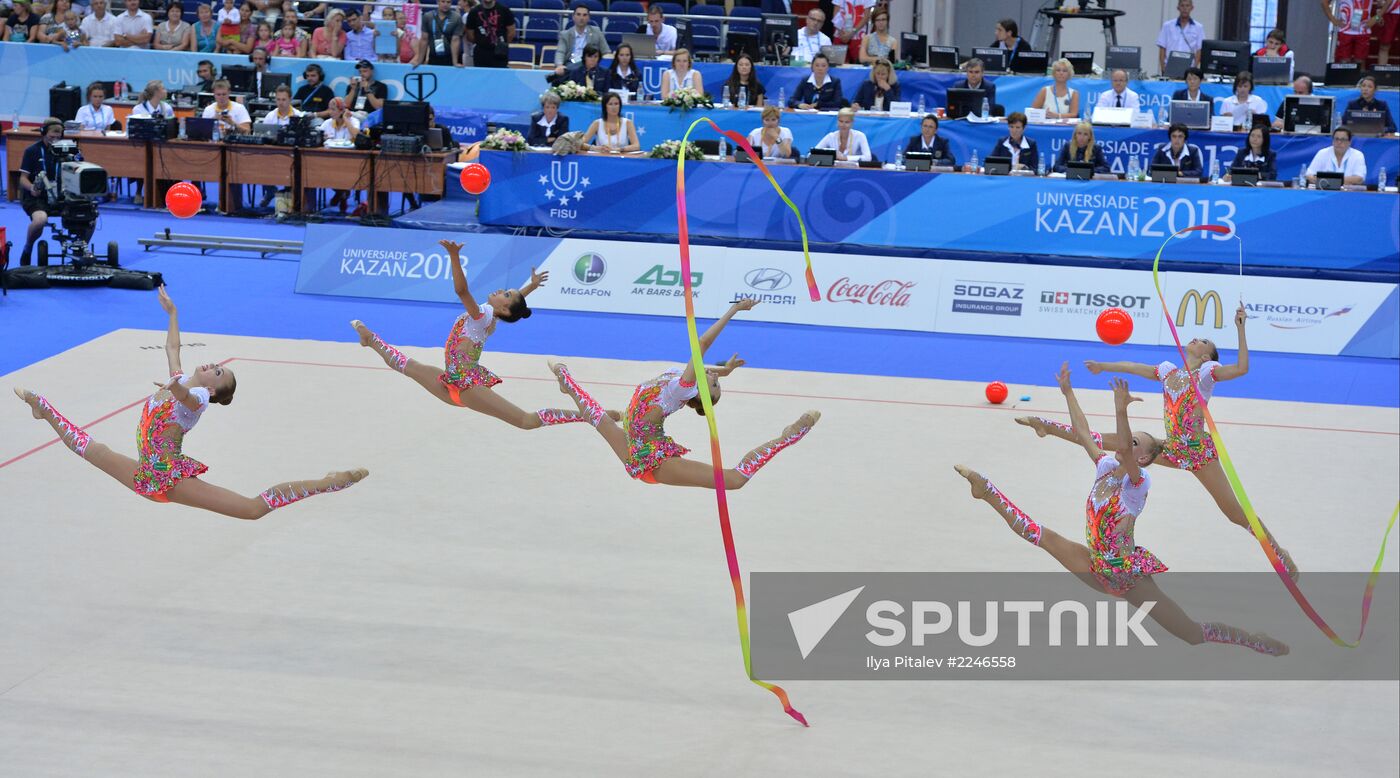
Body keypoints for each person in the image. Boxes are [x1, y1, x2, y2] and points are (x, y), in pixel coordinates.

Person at [958, 368, 1287, 657]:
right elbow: (1083, 432)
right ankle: (986, 490)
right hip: (1095, 565)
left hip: (1128, 578)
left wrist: (1120, 409)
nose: (1126, 444)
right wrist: (1068, 392)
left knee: (1192, 635)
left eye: (1135, 444)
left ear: (1143, 458)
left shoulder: (1136, 482)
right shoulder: (1104, 466)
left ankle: (1253, 640)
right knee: (1041, 536)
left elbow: (1127, 451)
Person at [15, 287, 368, 519]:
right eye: (217, 366)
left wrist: (177, 388)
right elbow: (173, 348)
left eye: (218, 373)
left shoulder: (195, 398)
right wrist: (172, 313)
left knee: (251, 510)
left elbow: (185, 396)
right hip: (145, 474)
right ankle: (43, 408)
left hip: (168, 479)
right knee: (91, 449)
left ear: (213, 391)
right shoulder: (182, 379)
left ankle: (329, 482)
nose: (213, 367)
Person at [1023, 306, 1300, 583]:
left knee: (1235, 514)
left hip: (1198, 454)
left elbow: (1241, 369)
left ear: (1206, 356)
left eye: (1203, 341)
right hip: (1171, 448)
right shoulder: (1168, 372)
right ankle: (1047, 427)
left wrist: (1240, 327)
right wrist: (1103, 366)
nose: (1196, 338)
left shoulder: (1206, 373)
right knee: (1113, 443)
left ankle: (1277, 551)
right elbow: (1135, 368)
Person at [546, 300, 821, 489]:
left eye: (713, 384)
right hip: (633, 444)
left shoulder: (681, 389)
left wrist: (734, 310)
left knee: (734, 481)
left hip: (654, 462)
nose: (712, 377)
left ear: (698, 391)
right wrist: (725, 371)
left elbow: (701, 344)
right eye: (714, 380)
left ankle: (789, 436)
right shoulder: (682, 379)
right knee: (597, 415)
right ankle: (564, 377)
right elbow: (707, 369)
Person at [350, 240, 613, 427]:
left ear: (505, 309)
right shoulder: (492, 313)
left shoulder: (482, 316)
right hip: (449, 381)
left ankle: (593, 415)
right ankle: (369, 337)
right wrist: (529, 288)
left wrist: (453, 256)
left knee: (526, 421)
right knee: (408, 366)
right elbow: (514, 306)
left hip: (467, 387)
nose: (501, 291)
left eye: (505, 294)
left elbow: (462, 292)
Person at [17, 119, 65, 266]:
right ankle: (28, 248)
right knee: (40, 221)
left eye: (58, 136)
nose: (55, 139)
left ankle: (81, 250)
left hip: (61, 196)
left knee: (90, 218)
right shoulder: (32, 151)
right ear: (44, 133)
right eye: (52, 136)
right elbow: (23, 179)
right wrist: (32, 188)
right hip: (36, 196)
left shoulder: (67, 150)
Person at [553, 3, 607, 74]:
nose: (581, 18)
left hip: (591, 63)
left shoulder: (596, 32)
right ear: (573, 17)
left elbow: (606, 51)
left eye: (584, 15)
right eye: (578, 14)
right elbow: (560, 52)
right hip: (572, 63)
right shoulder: (565, 34)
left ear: (588, 17)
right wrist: (559, 65)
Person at [464, 0, 515, 68]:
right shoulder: (474, 12)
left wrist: (502, 44)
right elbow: (470, 36)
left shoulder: (505, 10)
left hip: (499, 53)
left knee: (499, 76)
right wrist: (482, 42)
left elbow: (511, 33)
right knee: (481, 77)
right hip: (481, 53)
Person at [1157, 0, 1203, 71]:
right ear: (1178, 8)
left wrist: (1194, 68)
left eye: (1187, 6)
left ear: (1192, 8)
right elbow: (1162, 48)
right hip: (1169, 66)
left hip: (1189, 68)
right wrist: (1163, 68)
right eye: (1182, 5)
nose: (1185, 8)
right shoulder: (1167, 26)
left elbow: (1199, 50)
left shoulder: (1198, 27)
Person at [415, 0, 461, 67]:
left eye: (448, 2)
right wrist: (419, 60)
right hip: (433, 56)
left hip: (449, 57)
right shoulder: (428, 16)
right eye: (443, 1)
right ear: (437, 2)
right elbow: (424, 39)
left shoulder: (456, 18)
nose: (445, 4)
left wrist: (455, 62)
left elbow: (455, 40)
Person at [1380, 0, 1400, 66]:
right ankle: (1381, 72)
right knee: (1384, 46)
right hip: (1390, 12)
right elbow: (1379, 2)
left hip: (1390, 12)